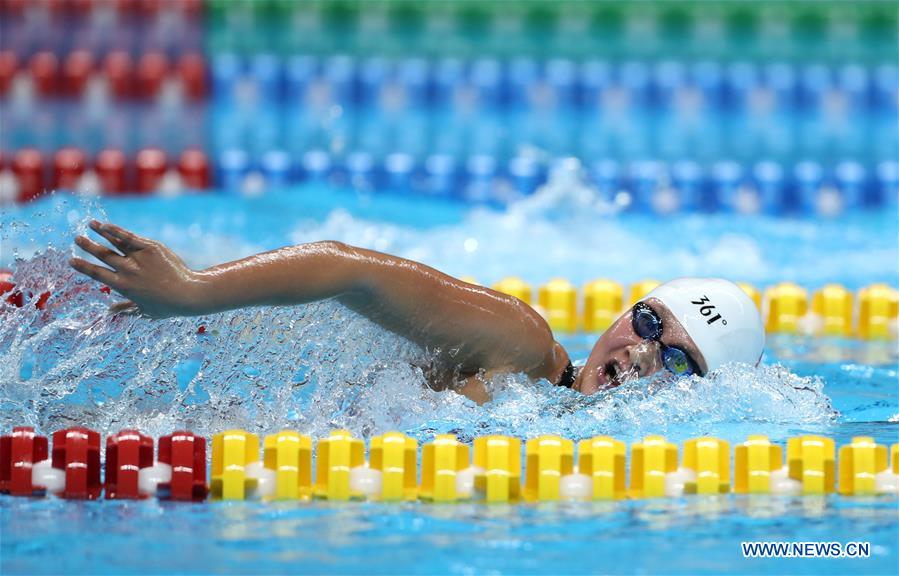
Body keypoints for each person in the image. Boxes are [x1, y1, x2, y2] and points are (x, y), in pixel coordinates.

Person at [70, 220, 765, 404]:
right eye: (648, 324)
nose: (644, 353)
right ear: (623, 314)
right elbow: (351, 268)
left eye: (678, 359)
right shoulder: (520, 346)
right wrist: (191, 290)